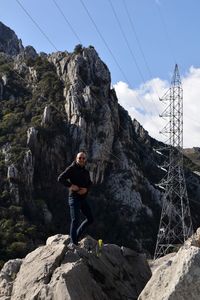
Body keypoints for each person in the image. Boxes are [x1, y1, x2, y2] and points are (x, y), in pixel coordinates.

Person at [57, 152, 93, 246]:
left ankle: (75, 237)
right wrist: (71, 186)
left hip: (83, 198)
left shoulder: (85, 171)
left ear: (85, 160)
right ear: (76, 158)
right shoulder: (72, 169)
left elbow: (90, 183)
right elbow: (60, 178)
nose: (81, 159)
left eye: (83, 158)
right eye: (80, 158)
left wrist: (86, 189)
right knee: (75, 220)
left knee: (90, 219)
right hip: (74, 198)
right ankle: (74, 244)